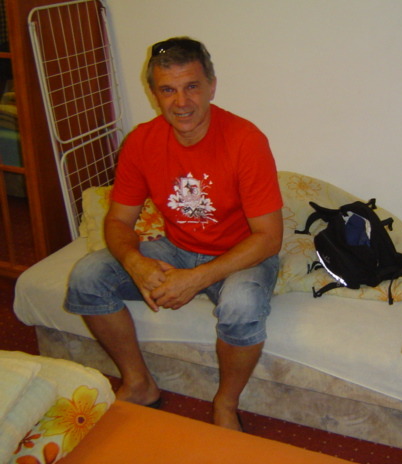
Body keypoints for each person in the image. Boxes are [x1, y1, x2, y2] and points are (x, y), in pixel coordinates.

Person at [65, 37, 283, 432]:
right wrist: (135, 262)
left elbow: (268, 237)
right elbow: (118, 222)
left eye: (192, 86)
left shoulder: (246, 140)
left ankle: (225, 403)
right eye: (168, 90)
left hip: (241, 254)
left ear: (212, 86)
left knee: (241, 305)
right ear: (154, 94)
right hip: (178, 247)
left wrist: (195, 279)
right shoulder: (141, 142)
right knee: (87, 276)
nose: (181, 102)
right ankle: (139, 383)